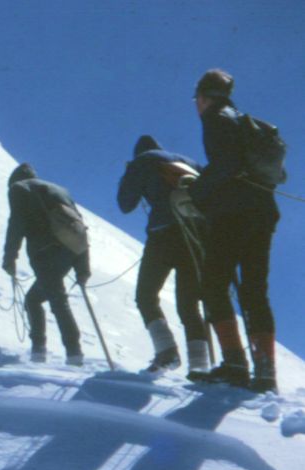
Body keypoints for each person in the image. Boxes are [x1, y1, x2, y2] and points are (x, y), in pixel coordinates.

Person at [188, 69, 280, 392]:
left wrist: (196, 192)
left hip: (233, 214)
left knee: (213, 284)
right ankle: (265, 372)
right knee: (255, 289)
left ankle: (234, 364)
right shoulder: (245, 121)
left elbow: (225, 165)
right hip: (264, 211)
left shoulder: (216, 118)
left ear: (204, 96)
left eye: (196, 98)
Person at [118, 135, 210, 376]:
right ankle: (200, 366)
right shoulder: (189, 163)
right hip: (197, 236)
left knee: (146, 295)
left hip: (164, 234)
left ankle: (167, 351)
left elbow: (125, 204)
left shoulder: (143, 161)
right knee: (189, 304)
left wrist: (132, 174)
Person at [3, 163, 88, 365]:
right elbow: (80, 226)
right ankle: (40, 349)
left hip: (45, 249)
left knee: (58, 299)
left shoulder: (19, 188)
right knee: (34, 299)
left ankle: (72, 353)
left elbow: (16, 223)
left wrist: (10, 257)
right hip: (71, 250)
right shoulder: (60, 191)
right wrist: (83, 268)